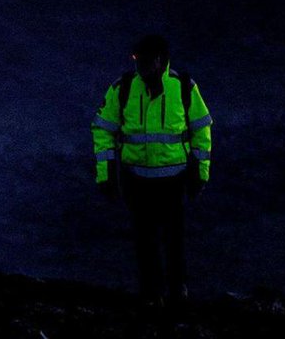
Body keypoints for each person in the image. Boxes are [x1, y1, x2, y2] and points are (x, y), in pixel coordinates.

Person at [91, 35, 212, 310]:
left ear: (160, 59)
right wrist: (106, 174)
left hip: (172, 180)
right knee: (145, 240)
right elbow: (103, 128)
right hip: (137, 180)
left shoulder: (183, 87)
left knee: (172, 238)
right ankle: (152, 295)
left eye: (144, 60)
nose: (140, 66)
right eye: (136, 59)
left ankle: (176, 292)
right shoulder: (123, 88)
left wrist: (200, 174)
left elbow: (201, 129)